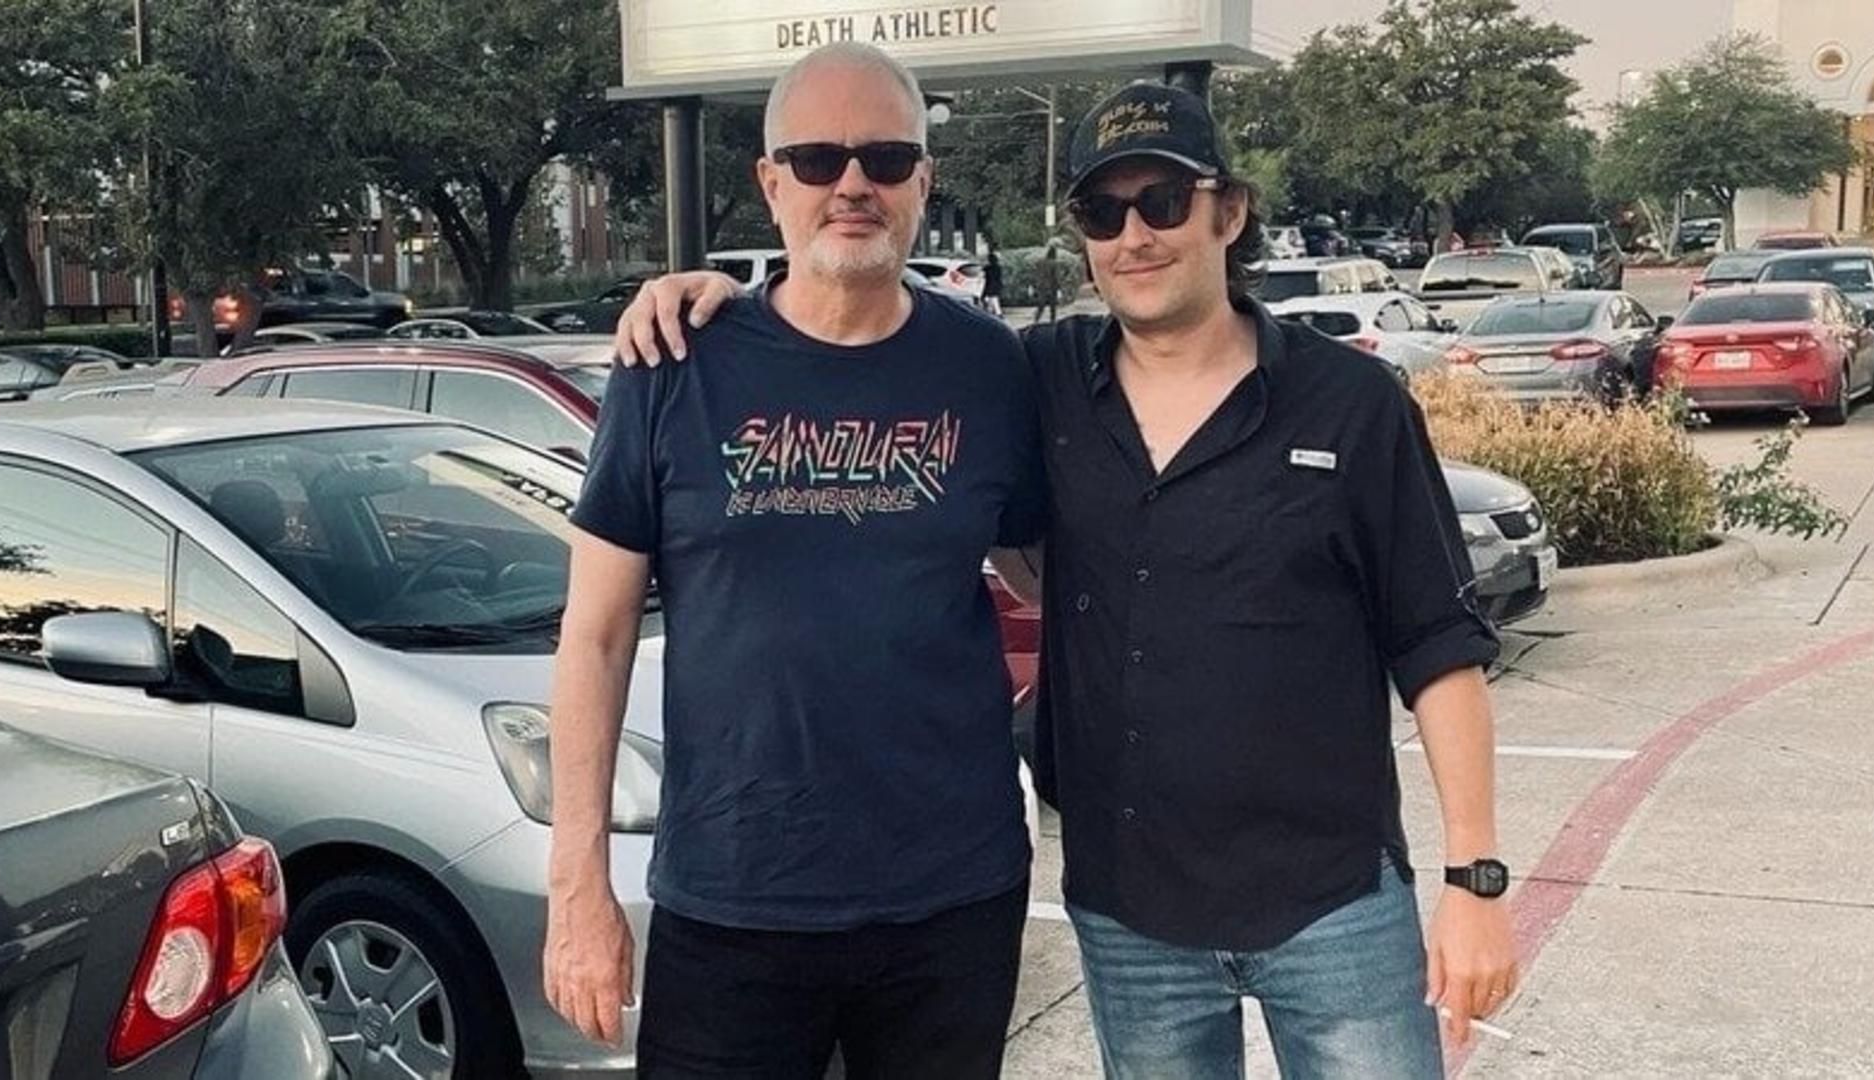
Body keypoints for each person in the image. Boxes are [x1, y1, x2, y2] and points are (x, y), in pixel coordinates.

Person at [613, 80, 1520, 1079]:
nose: (1135, 236)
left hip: (1332, 902)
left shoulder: (1351, 403)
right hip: (1134, 917)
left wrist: (1473, 880)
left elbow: (1437, 647)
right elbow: (866, 344)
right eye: (1102, 211)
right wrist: (706, 293)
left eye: (1163, 203)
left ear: (1229, 212)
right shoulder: (1038, 378)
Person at [542, 41, 1046, 1080]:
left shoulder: (989, 367)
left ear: (923, 183)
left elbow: (1054, 572)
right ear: (772, 184)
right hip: (734, 898)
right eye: (818, 160)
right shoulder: (671, 363)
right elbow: (594, 639)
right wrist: (577, 889)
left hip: (950, 900)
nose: (853, 184)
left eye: (885, 159)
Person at [1032, 243, 1061, 323]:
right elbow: (1056, 276)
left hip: (1041, 286)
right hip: (1051, 287)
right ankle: (1052, 321)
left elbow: (1035, 274)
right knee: (1053, 306)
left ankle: (1036, 319)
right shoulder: (1054, 263)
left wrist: (1034, 284)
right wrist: (1059, 287)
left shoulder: (1040, 262)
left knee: (1041, 305)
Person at [983, 246, 1004, 316]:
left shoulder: (987, 268)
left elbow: (986, 278)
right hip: (995, 286)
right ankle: (995, 313)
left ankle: (996, 313)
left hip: (990, 286)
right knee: (993, 300)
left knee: (992, 300)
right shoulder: (998, 268)